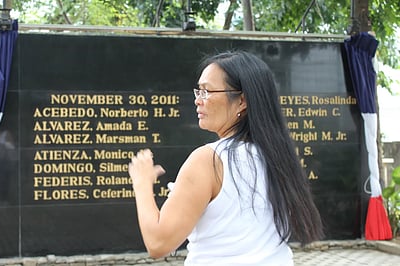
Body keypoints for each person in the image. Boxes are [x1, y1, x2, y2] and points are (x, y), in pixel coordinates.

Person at [128, 50, 324, 265]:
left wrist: (142, 183)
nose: (198, 101)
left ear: (242, 101)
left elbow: (158, 243)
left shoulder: (208, 161)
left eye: (207, 91)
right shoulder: (278, 156)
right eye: (198, 91)